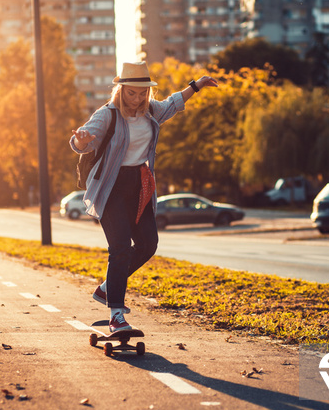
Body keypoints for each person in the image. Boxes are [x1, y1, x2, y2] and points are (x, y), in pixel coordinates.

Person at [70, 61, 218, 332]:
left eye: (142, 93)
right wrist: (80, 140)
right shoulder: (108, 115)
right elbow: (83, 141)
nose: (137, 99)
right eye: (132, 93)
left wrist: (196, 86)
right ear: (121, 89)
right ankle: (116, 314)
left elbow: (173, 103)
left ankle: (106, 288)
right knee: (120, 249)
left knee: (149, 243)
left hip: (140, 186)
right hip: (112, 187)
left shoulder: (151, 111)